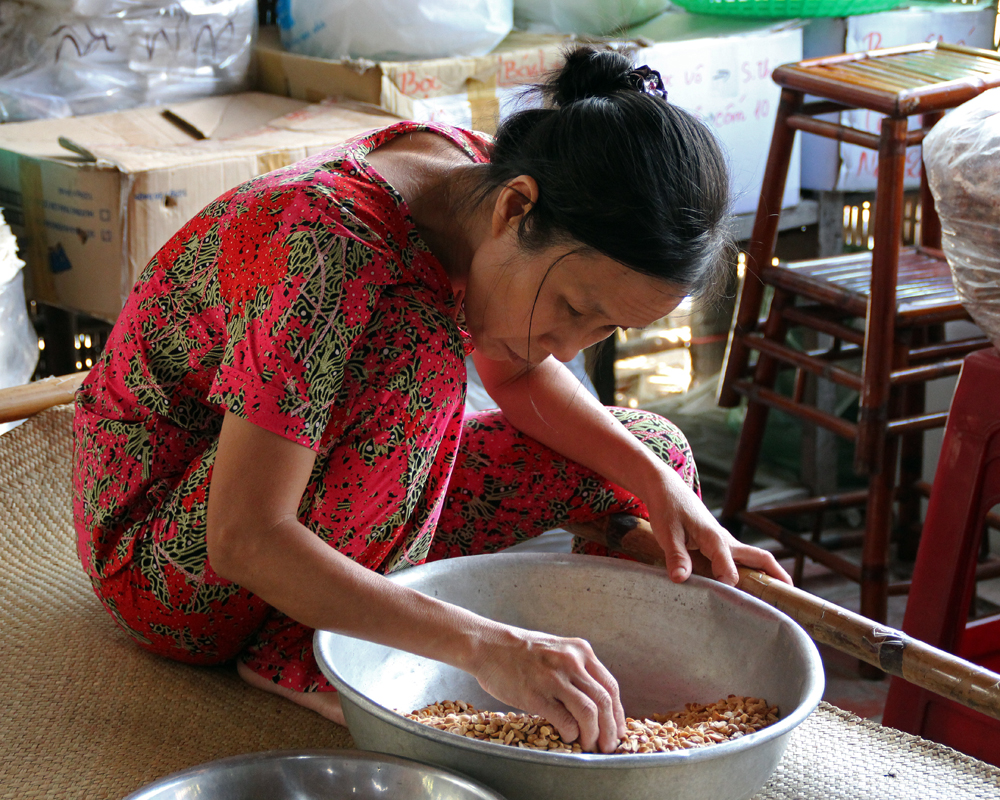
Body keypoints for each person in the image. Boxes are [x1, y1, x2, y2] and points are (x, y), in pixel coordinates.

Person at [72, 46, 791, 756]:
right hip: (169, 556)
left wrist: (662, 488)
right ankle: (299, 652)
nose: (573, 348)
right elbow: (241, 537)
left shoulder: (492, 187)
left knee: (649, 453)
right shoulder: (331, 245)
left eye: (605, 329)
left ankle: (580, 663)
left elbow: (513, 379)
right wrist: (484, 644)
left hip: (312, 496)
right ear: (517, 208)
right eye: (574, 306)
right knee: (420, 354)